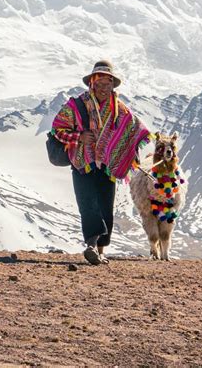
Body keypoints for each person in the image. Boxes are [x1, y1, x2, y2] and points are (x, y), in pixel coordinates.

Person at [51, 60, 151, 265]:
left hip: (108, 166)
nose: (104, 88)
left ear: (113, 85)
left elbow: (134, 130)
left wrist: (130, 151)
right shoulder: (76, 106)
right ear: (92, 83)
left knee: (106, 206)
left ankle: (101, 250)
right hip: (82, 163)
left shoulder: (120, 110)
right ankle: (90, 245)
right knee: (87, 204)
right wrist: (79, 137)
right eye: (99, 83)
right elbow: (57, 128)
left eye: (108, 84)